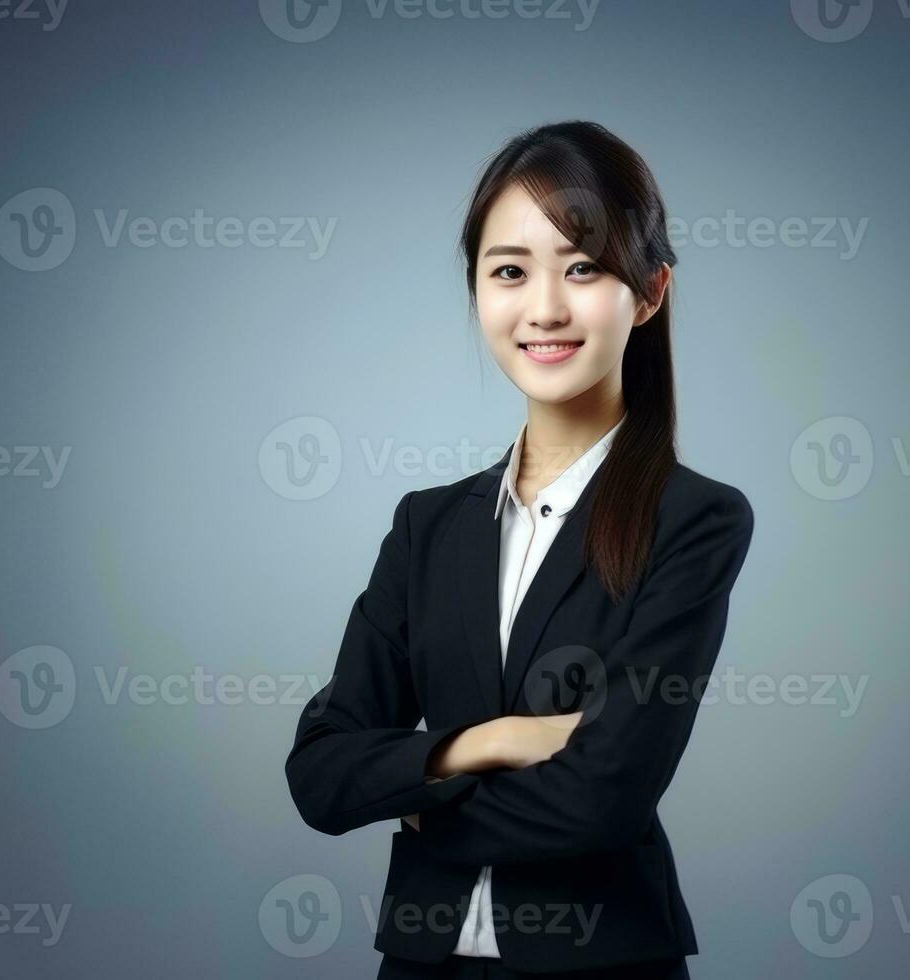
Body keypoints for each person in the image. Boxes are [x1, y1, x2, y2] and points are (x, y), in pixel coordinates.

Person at [285, 120, 755, 979]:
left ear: (648, 293)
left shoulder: (694, 520)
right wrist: (487, 741)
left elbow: (603, 800)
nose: (543, 307)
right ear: (475, 291)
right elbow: (319, 774)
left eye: (582, 268)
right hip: (421, 964)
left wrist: (419, 802)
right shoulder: (427, 525)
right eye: (509, 270)